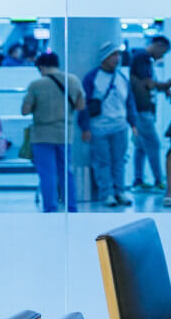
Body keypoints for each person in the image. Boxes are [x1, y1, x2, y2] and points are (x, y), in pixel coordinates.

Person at [23, 52, 85, 212]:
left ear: (41, 67)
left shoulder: (36, 85)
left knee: (47, 174)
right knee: (66, 172)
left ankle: (50, 208)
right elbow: (80, 106)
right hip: (65, 133)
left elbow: (25, 110)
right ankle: (71, 207)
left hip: (42, 134)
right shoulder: (73, 80)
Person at [79, 41, 138, 208]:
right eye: (113, 55)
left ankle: (120, 191)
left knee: (119, 161)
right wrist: (85, 127)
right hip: (98, 128)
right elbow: (83, 104)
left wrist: (133, 124)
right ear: (104, 58)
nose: (117, 58)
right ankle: (107, 193)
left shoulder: (122, 78)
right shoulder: (92, 78)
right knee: (102, 162)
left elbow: (129, 102)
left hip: (120, 126)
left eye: (118, 55)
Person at [130, 35, 171, 190]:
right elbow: (148, 83)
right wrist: (165, 86)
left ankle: (138, 180)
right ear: (158, 46)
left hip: (141, 108)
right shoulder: (142, 57)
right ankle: (158, 181)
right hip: (142, 109)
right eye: (163, 52)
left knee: (141, 146)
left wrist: (164, 88)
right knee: (154, 144)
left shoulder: (143, 59)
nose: (162, 56)